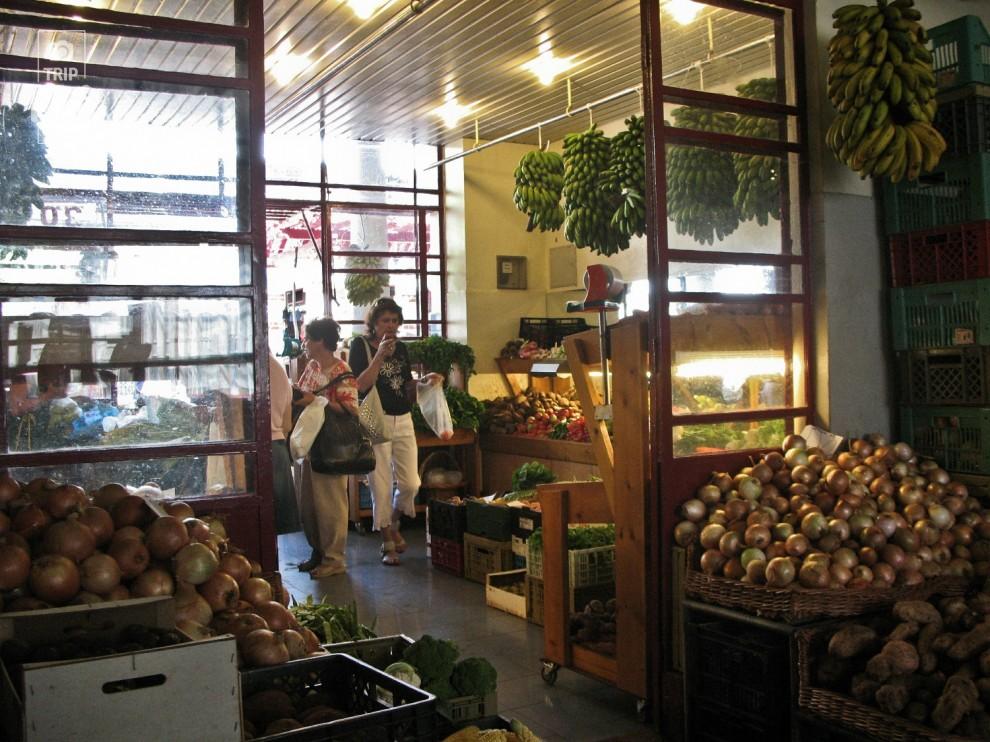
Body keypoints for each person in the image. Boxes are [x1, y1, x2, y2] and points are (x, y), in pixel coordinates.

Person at [348, 298, 442, 566]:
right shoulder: (360, 345)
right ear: (374, 323)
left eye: (394, 320)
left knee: (411, 483)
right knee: (380, 483)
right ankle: (387, 541)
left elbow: (405, 385)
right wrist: (379, 356)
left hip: (403, 418)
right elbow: (359, 385)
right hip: (375, 418)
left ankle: (394, 521)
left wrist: (425, 382)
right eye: (384, 321)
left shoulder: (401, 348)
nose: (390, 325)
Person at [293, 318, 359, 579]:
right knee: (309, 504)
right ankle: (318, 552)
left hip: (331, 446)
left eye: (308, 339)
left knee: (330, 504)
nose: (305, 344)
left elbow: (351, 409)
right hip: (309, 443)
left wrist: (317, 401)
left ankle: (334, 558)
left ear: (321, 340)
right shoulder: (312, 367)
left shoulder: (341, 370)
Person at [269, 351, 299, 536]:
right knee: (277, 523)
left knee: (263, 521)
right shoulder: (279, 370)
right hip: (278, 447)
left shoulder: (253, 365)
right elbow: (287, 424)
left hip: (261, 449)